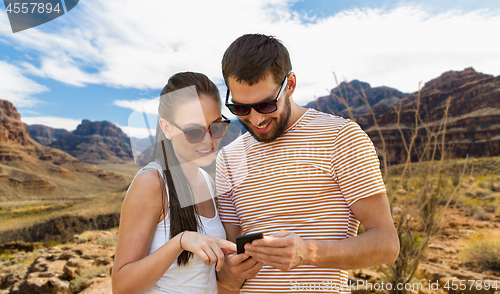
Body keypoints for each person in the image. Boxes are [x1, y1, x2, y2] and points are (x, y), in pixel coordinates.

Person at [215, 34, 400, 293]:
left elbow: (387, 244)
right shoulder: (228, 158)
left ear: (290, 84)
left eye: (266, 104)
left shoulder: (341, 137)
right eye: (241, 109)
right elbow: (228, 262)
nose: (256, 120)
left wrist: (309, 252)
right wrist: (229, 272)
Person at [112, 72, 237, 294]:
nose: (209, 140)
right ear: (167, 128)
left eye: (216, 127)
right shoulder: (151, 183)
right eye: (194, 131)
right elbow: (122, 287)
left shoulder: (206, 181)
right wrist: (180, 242)